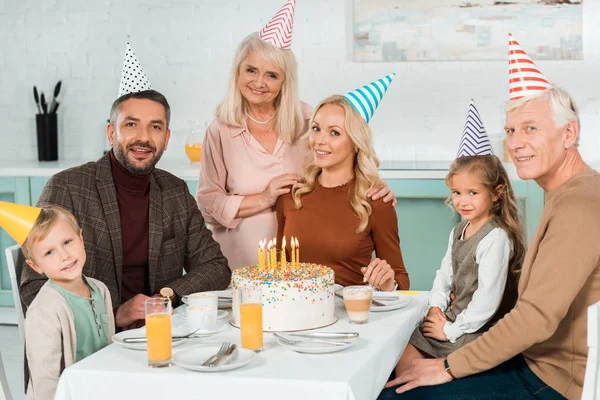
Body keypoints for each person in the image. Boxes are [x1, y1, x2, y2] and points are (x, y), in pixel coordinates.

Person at [380, 35, 599, 400]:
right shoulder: (568, 193)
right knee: (393, 368)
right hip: (533, 359)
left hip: (551, 380)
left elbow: (535, 318)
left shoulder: (580, 204)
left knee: (393, 392)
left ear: (569, 133)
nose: (515, 142)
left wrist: (449, 367)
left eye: (531, 128)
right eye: (511, 130)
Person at [20, 43, 230, 330]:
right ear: (111, 133)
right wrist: (114, 315)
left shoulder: (174, 191)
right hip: (88, 346)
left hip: (159, 335)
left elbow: (216, 267)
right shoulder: (67, 188)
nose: (143, 137)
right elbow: (33, 291)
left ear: (166, 139)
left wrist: (164, 296)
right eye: (131, 125)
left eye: (155, 127)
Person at [196, 1, 394, 271]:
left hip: (304, 269)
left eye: (272, 75)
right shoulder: (220, 129)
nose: (259, 82)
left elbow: (340, 161)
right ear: (237, 71)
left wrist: (375, 188)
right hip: (241, 266)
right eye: (251, 70)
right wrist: (263, 199)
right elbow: (208, 204)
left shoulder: (307, 121)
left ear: (284, 81)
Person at [397, 101, 525, 375]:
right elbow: (445, 273)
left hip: (477, 327)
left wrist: (451, 330)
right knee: (402, 358)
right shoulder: (458, 231)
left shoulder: (496, 238)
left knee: (424, 370)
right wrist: (435, 307)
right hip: (453, 318)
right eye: (457, 192)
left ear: (496, 191)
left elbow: (487, 303)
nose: (462, 201)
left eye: (473, 193)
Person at [276, 76, 409, 291]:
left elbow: (401, 279)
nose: (319, 140)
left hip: (350, 318)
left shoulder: (375, 202)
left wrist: (387, 283)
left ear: (356, 143)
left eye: (334, 133)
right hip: (297, 315)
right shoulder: (291, 196)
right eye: (316, 128)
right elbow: (279, 266)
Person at [0, 203, 115, 400]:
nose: (64, 256)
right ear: (35, 266)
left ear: (81, 238)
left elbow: (110, 353)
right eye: (49, 252)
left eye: (67, 242)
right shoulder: (44, 312)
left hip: (99, 389)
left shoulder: (100, 290)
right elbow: (46, 382)